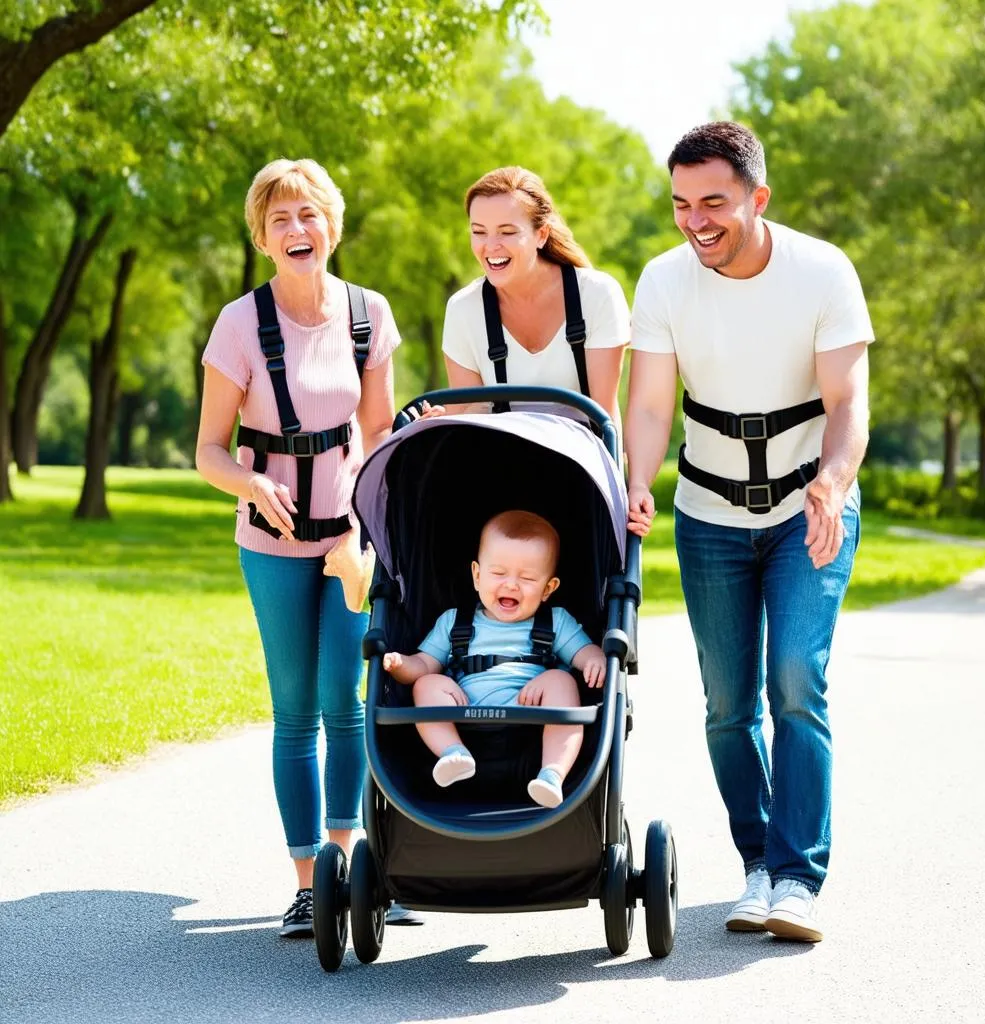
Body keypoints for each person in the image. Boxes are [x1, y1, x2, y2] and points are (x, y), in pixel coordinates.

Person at [624, 122, 872, 943]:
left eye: (715, 203)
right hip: (709, 516)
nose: (696, 219)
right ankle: (758, 861)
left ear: (758, 198)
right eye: (681, 204)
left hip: (810, 509)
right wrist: (636, 484)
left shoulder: (822, 271)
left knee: (796, 678)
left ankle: (798, 877)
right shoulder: (663, 282)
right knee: (729, 705)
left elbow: (847, 404)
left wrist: (831, 485)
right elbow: (654, 405)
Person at [195, 158, 420, 935]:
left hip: (352, 542)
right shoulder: (238, 324)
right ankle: (306, 884)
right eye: (281, 219)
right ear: (262, 236)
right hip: (271, 541)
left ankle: (352, 865)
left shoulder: (367, 314)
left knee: (347, 703)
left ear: (333, 225)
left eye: (310, 215)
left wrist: (368, 531)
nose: (298, 230)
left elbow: (381, 433)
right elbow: (208, 451)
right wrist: (252, 487)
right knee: (295, 713)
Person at [381, 510, 606, 808]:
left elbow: (584, 653)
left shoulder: (555, 622)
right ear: (476, 575)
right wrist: (401, 665)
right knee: (426, 683)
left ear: (548, 589)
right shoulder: (454, 623)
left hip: (531, 722)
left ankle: (552, 773)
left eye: (526, 578)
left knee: (561, 680)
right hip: (463, 716)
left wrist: (596, 657)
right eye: (498, 574)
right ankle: (452, 753)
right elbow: (422, 664)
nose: (511, 585)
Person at [441, 166, 630, 422]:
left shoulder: (597, 295)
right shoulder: (463, 309)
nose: (491, 245)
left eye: (507, 232)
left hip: (580, 457)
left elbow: (602, 414)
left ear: (541, 235)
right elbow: (470, 419)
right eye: (478, 232)